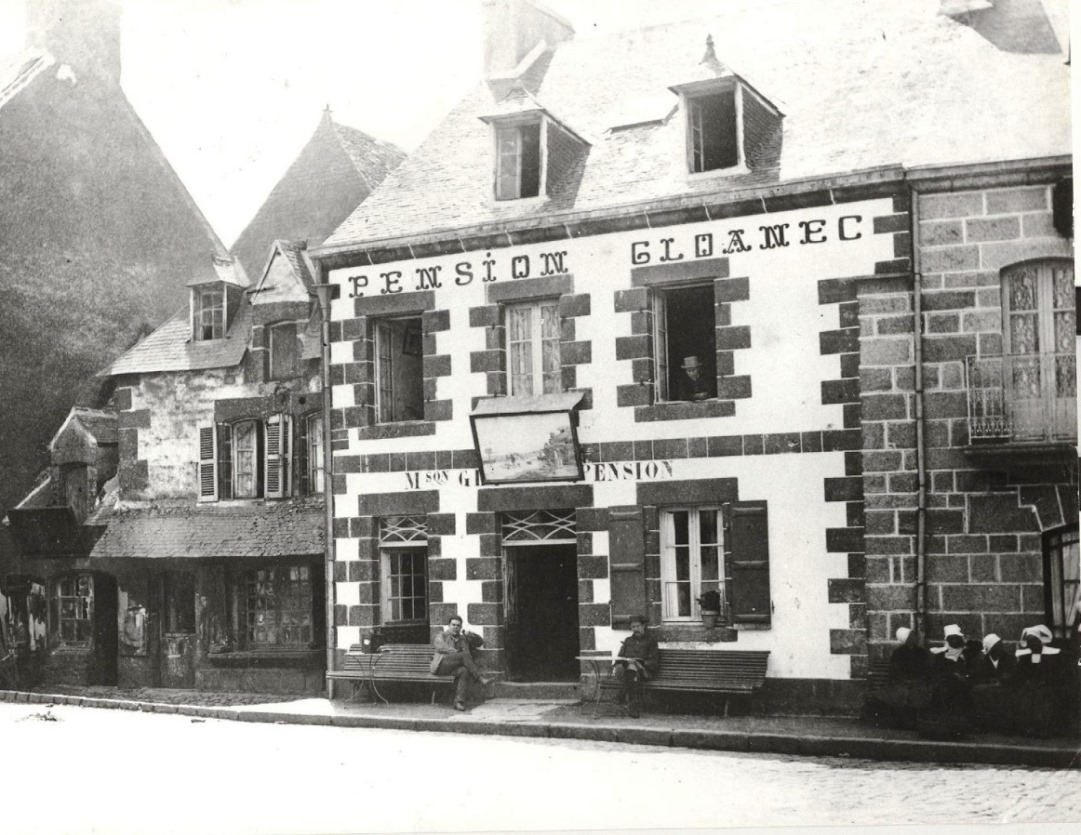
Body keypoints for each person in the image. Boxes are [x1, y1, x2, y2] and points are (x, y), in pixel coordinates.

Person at [865, 626, 931, 728]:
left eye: (914, 636)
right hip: (901, 682)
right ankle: (901, 722)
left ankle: (913, 721)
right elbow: (894, 672)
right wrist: (904, 680)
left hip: (918, 682)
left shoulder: (921, 652)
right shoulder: (898, 653)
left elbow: (926, 670)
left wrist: (917, 680)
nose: (915, 638)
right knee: (899, 693)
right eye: (911, 636)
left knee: (917, 693)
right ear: (906, 639)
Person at [431, 614, 492, 711]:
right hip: (441, 665)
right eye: (453, 625)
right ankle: (479, 678)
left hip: (454, 668)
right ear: (449, 625)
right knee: (464, 654)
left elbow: (480, 642)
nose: (455, 627)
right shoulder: (441, 635)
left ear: (461, 627)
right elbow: (441, 647)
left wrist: (470, 634)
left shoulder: (463, 638)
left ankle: (459, 702)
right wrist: (458, 653)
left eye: (458, 625)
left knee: (464, 671)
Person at [611, 614, 660, 717]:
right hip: (627, 671)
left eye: (638, 626)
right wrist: (625, 662)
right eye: (633, 627)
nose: (636, 629)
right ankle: (632, 707)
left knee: (632, 668)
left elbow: (654, 661)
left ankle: (621, 697)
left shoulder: (651, 641)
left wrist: (638, 663)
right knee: (631, 671)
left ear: (643, 626)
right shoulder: (628, 640)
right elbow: (620, 657)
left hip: (644, 671)